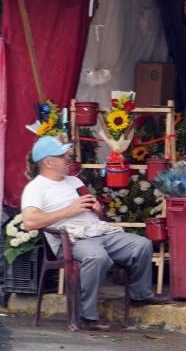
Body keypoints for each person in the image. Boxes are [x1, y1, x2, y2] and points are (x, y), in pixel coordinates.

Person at [21, 136, 168, 331]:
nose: (69, 159)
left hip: (97, 230)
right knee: (96, 256)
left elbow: (94, 210)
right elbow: (30, 222)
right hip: (71, 240)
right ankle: (87, 315)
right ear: (49, 162)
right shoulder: (35, 188)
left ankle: (139, 295)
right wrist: (68, 211)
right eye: (64, 156)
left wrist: (97, 209)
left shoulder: (73, 181)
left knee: (141, 245)